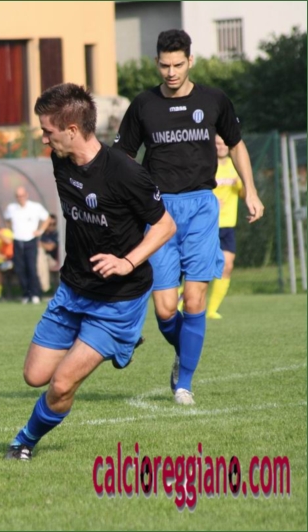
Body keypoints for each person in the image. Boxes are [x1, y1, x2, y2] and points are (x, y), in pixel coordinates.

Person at [5, 83, 176, 461]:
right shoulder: (61, 160)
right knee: (34, 376)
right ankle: (119, 344)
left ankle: (23, 442)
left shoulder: (126, 173)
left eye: (47, 131)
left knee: (61, 384)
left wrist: (127, 261)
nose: (43, 139)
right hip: (73, 289)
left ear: (71, 129)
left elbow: (166, 226)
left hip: (117, 300)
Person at [113, 29, 264, 405]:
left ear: (190, 61)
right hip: (158, 212)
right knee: (165, 309)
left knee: (194, 300)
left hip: (200, 208)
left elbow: (237, 145)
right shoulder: (143, 105)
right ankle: (186, 349)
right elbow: (123, 157)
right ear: (156, 63)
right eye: (164, 65)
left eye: (178, 65)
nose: (171, 72)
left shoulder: (214, 100)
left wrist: (251, 190)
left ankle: (184, 384)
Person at [206, 135, 245, 319]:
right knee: (203, 267)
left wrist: (241, 185)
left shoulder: (236, 166)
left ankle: (212, 310)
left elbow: (245, 194)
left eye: (224, 144)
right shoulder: (206, 165)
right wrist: (211, 200)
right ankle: (182, 301)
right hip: (208, 225)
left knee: (227, 266)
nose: (221, 147)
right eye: (217, 143)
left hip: (228, 225)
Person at [4, 186, 50, 304]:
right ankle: (26, 294)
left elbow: (47, 218)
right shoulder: (11, 208)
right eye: (18, 196)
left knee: (31, 268)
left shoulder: (35, 207)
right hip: (17, 240)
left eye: (22, 196)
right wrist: (11, 231)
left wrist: (40, 231)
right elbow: (7, 220)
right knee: (20, 269)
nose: (20, 198)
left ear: (27, 195)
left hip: (31, 240)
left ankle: (35, 294)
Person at [37, 214, 60, 294]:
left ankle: (44, 287)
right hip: (41, 260)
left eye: (54, 224)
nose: (51, 226)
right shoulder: (41, 235)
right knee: (40, 257)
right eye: (49, 224)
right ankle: (41, 288)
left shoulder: (56, 234)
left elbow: (50, 247)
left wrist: (40, 244)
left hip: (53, 260)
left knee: (40, 255)